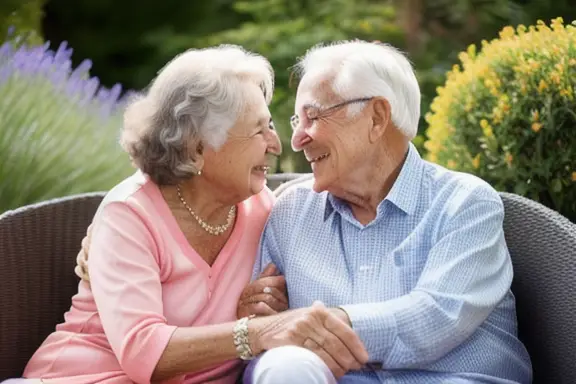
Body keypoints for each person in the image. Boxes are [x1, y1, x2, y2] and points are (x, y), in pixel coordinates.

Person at [18, 45, 369, 384]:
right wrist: (256, 331)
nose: (275, 145)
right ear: (198, 147)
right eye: (258, 130)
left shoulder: (262, 207)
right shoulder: (130, 215)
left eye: (271, 126)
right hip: (86, 376)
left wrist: (251, 311)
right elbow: (144, 353)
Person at [240, 40, 533, 384]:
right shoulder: (290, 211)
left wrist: (326, 326)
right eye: (296, 120)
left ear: (377, 118)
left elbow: (436, 317)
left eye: (313, 116)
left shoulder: (465, 204)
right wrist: (257, 320)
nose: (297, 139)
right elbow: (267, 335)